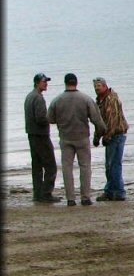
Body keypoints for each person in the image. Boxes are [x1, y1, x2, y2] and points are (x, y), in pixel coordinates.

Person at [47, 73, 106, 207]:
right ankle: (85, 197)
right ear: (76, 83)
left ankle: (70, 199)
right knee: (85, 167)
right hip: (82, 137)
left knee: (67, 168)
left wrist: (61, 121)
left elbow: (50, 118)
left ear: (65, 83)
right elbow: (96, 119)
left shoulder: (57, 100)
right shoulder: (85, 99)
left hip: (66, 138)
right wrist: (103, 130)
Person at [25, 73, 60, 203]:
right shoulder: (38, 98)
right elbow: (40, 118)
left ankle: (38, 194)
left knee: (37, 166)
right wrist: (51, 119)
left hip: (32, 135)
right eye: (44, 82)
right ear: (37, 83)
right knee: (51, 166)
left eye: (46, 81)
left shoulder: (29, 96)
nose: (46, 84)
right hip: (40, 136)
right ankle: (46, 194)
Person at [92, 77, 129, 201]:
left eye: (99, 86)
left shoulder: (111, 99)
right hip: (111, 135)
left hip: (117, 134)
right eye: (95, 87)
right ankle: (112, 191)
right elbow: (99, 120)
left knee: (113, 165)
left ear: (105, 86)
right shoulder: (100, 100)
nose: (97, 89)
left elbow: (112, 120)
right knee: (110, 165)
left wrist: (107, 136)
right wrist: (97, 137)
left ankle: (117, 192)